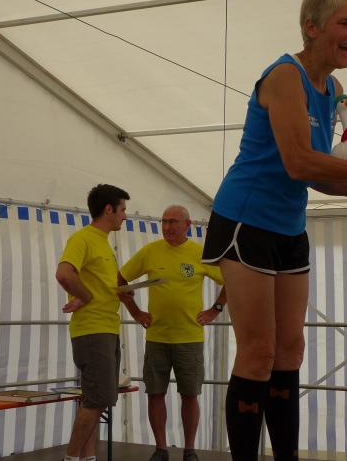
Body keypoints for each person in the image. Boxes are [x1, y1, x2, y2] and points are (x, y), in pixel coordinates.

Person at [201, 0, 347, 461]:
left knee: (291, 350)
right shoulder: (285, 76)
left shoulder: (334, 89)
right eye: (345, 22)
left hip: (288, 225)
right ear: (311, 27)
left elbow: (313, 171)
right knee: (258, 353)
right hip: (245, 220)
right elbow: (299, 161)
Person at [118, 205, 226, 461]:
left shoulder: (200, 253)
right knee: (155, 393)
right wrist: (135, 312)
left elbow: (230, 281)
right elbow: (120, 279)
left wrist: (215, 309)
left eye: (173, 222)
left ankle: (189, 450)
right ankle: (161, 449)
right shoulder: (150, 251)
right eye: (164, 221)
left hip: (190, 338)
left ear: (188, 225)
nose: (167, 227)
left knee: (190, 395)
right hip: (157, 338)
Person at [55, 184, 130, 461]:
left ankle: (87, 457)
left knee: (96, 400)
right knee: (97, 400)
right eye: (122, 210)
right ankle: (71, 458)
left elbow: (97, 284)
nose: (125, 216)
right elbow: (64, 274)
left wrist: (120, 291)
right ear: (109, 209)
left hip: (106, 328)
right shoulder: (83, 238)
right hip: (93, 329)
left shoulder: (103, 242)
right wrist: (85, 296)